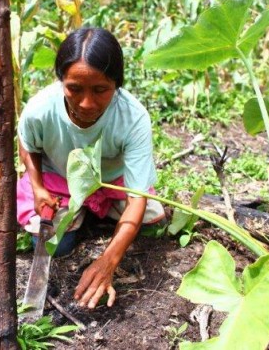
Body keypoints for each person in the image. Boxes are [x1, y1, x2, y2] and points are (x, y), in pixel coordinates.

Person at [17, 27, 165, 310]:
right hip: (59, 182)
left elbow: (137, 195)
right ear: (61, 81)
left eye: (100, 90)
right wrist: (37, 188)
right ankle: (87, 213)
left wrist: (108, 260)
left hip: (111, 183)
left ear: (117, 84)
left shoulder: (132, 118)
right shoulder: (40, 109)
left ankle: (93, 210)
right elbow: (27, 144)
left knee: (152, 221)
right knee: (56, 245)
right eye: (74, 88)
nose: (87, 103)